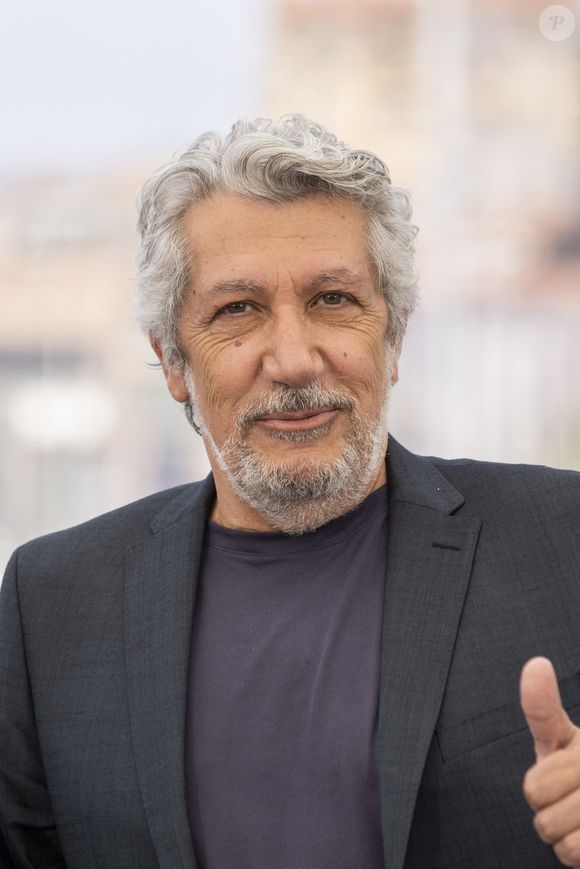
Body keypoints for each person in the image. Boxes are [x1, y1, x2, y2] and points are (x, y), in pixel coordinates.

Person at [1, 115, 579, 869]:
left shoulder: (562, 540)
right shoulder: (51, 604)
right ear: (172, 361)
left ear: (394, 337)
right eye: (237, 310)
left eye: (333, 299)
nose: (295, 359)